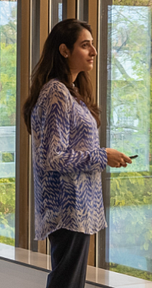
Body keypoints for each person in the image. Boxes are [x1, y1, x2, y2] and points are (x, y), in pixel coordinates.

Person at [23, 18, 133, 288]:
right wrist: (102, 155)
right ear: (64, 50)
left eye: (92, 45)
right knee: (66, 283)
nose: (94, 51)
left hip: (77, 209)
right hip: (67, 208)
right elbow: (54, 157)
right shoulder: (56, 92)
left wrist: (102, 155)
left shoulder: (70, 92)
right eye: (85, 45)